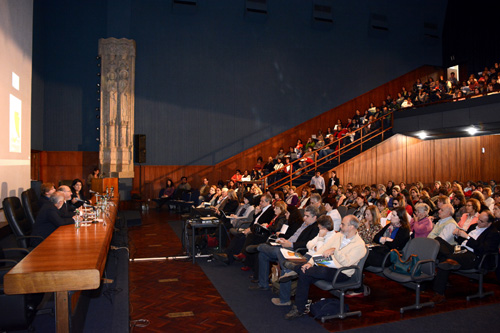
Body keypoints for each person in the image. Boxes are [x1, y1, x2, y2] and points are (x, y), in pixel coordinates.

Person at [283, 215, 367, 319]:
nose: (340, 226)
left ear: (351, 227)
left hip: (343, 273)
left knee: (318, 270)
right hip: (329, 266)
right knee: (305, 272)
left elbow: (346, 263)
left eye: (343, 224)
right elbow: (322, 249)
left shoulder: (359, 245)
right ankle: (299, 308)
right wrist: (310, 262)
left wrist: (335, 251)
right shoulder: (339, 236)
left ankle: (296, 269)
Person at [248, 206, 320, 307]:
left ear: (315, 217)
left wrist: (290, 245)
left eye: (307, 216)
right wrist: (285, 241)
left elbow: (307, 244)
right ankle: (263, 284)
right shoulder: (304, 224)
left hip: (297, 251)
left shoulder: (316, 228)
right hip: (288, 246)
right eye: (304, 215)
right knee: (263, 254)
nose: (304, 218)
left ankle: (284, 299)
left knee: (279, 252)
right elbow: (294, 236)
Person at [431, 211, 500, 304]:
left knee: (444, 260)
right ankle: (451, 259)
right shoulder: (473, 226)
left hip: (473, 255)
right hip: (460, 249)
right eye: (479, 219)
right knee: (438, 241)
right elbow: (461, 241)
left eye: (482, 221)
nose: (478, 222)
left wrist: (468, 237)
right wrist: (457, 234)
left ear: (489, 223)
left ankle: (439, 293)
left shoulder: (493, 233)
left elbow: (483, 249)